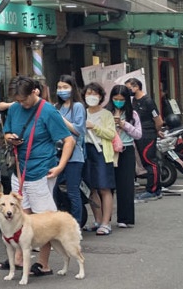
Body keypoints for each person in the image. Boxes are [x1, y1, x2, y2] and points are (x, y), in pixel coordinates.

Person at [0, 76, 74, 276]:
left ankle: (43, 263)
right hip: (19, 170)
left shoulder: (47, 111)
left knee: (43, 219)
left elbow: (68, 140)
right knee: (20, 215)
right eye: (18, 100)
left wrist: (60, 166)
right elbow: (7, 132)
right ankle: (20, 259)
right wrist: (9, 138)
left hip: (42, 170)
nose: (21, 104)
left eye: (24, 99)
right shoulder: (14, 108)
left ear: (34, 92)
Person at [81, 82, 115, 235]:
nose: (91, 97)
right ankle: (97, 220)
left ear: (100, 97)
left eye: (95, 94)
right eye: (88, 94)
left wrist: (94, 127)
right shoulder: (81, 111)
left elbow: (111, 134)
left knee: (104, 187)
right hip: (85, 151)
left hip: (101, 151)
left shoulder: (106, 114)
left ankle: (106, 223)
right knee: (91, 188)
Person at [53, 75, 87, 225]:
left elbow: (79, 130)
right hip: (57, 154)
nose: (62, 90)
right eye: (59, 88)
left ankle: (77, 224)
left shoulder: (78, 106)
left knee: (73, 191)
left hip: (74, 156)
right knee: (53, 189)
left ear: (73, 88)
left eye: (65, 87)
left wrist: (60, 119)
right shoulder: (56, 107)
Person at [125, 78, 163, 201]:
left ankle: (153, 191)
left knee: (150, 161)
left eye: (129, 88)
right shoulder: (134, 101)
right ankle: (154, 189)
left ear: (136, 86)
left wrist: (156, 131)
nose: (128, 91)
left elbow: (158, 120)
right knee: (146, 162)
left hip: (148, 134)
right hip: (139, 134)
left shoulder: (148, 101)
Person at [110, 84, 141, 227]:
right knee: (107, 185)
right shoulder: (106, 112)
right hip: (109, 150)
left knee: (126, 185)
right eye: (115, 99)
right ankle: (105, 219)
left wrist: (124, 125)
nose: (118, 101)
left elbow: (139, 134)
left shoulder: (132, 114)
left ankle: (125, 218)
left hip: (126, 150)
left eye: (121, 99)